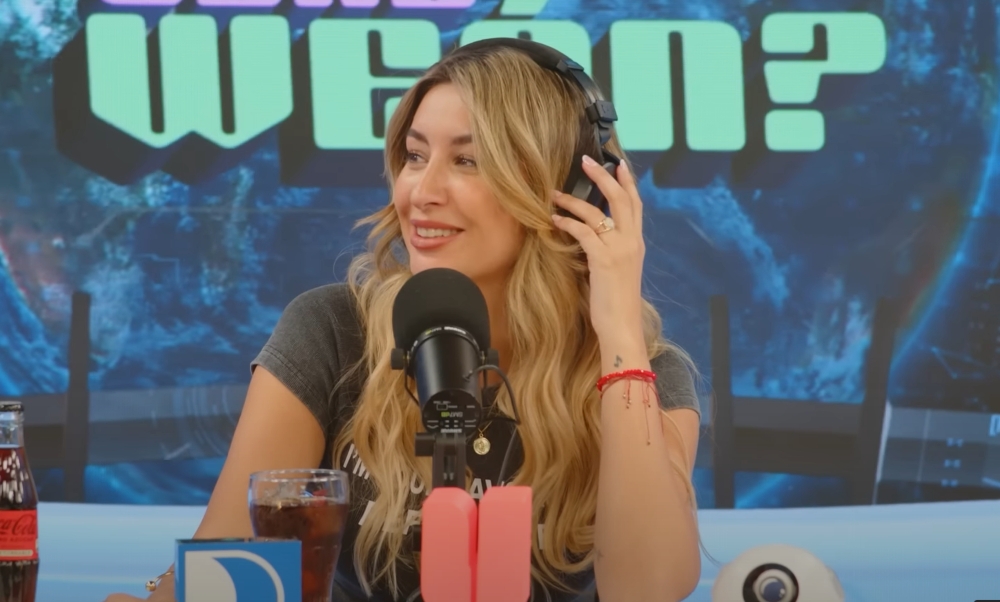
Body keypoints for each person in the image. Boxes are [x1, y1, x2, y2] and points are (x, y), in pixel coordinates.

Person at [104, 38, 703, 602]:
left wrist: (618, 335)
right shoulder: (333, 330)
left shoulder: (639, 374)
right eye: (415, 156)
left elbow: (647, 588)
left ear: (571, 191)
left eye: (467, 160)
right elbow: (230, 565)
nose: (421, 190)